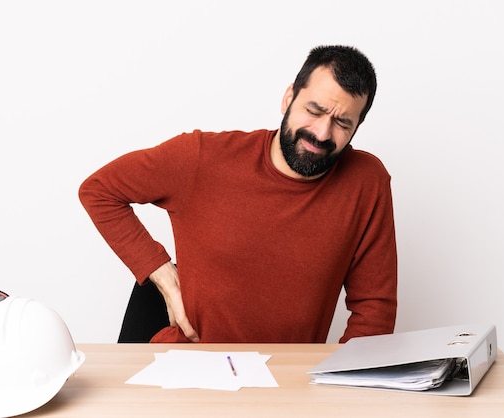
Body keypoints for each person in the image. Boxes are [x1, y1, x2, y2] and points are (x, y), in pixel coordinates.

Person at [79, 45, 397, 344]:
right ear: (289, 98)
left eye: (342, 123)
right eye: (314, 110)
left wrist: (345, 383)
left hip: (287, 383)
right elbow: (99, 190)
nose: (322, 133)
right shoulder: (201, 157)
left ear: (357, 126)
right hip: (186, 369)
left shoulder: (366, 182)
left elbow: (375, 306)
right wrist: (160, 273)